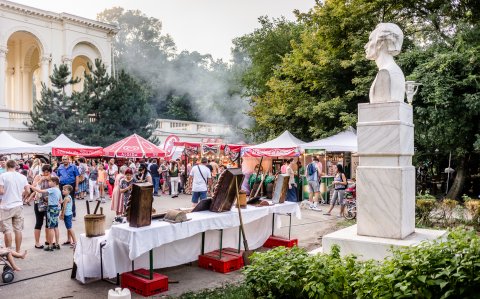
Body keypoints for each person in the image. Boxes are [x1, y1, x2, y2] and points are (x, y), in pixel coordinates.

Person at [365, 23, 405, 103]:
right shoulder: (394, 71)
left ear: (381, 43)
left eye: (370, 40)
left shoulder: (386, 73)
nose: (366, 46)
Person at [0, 160, 30, 252]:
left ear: (7, 166)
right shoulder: (22, 177)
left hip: (6, 206)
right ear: (16, 166)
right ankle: (18, 251)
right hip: (18, 205)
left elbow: (1, 191)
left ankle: (9, 253)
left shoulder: (3, 176)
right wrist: (22, 195)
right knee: (18, 230)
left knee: (7, 230)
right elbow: (28, 191)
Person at [29, 176, 62, 251]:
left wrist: (31, 186)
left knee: (50, 227)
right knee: (55, 227)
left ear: (54, 182)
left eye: (50, 181)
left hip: (51, 209)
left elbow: (40, 191)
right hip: (56, 208)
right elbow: (60, 200)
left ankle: (50, 245)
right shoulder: (58, 190)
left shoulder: (52, 189)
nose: (48, 183)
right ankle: (57, 244)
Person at [27, 164, 53, 249]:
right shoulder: (38, 176)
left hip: (50, 202)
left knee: (48, 223)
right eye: (44, 171)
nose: (46, 173)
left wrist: (50, 179)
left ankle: (48, 240)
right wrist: (41, 180)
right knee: (39, 222)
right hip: (39, 201)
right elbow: (33, 187)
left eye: (48, 172)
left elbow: (56, 187)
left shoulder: (52, 177)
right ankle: (37, 243)